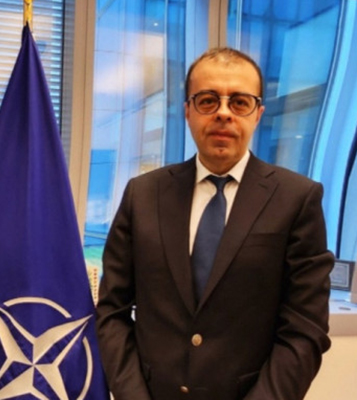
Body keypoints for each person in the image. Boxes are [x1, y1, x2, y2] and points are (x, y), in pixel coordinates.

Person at [95, 48, 333, 400]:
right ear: (187, 111)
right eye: (208, 100)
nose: (223, 112)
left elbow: (305, 329)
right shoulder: (142, 195)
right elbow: (111, 312)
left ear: (258, 114)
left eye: (239, 102)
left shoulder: (297, 199)